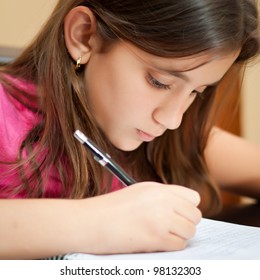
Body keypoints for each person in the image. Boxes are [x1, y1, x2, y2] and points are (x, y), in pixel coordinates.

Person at [0, 0, 260, 260]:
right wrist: (97, 222)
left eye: (195, 92)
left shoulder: (169, 139)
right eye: (159, 82)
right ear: (84, 36)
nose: (172, 120)